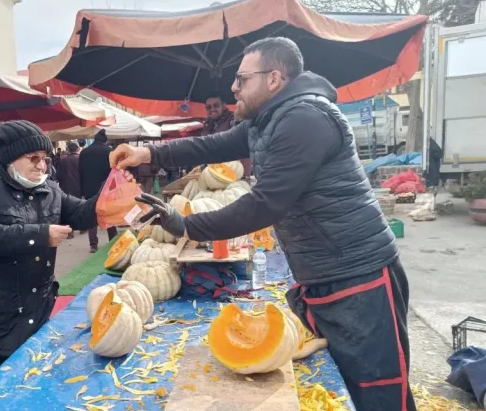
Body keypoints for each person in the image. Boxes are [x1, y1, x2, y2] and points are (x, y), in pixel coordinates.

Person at [110, 37, 415, 411]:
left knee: (377, 388)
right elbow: (211, 146)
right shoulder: (267, 119)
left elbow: (264, 205)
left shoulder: (305, 118)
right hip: (323, 270)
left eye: (242, 79)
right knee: (344, 383)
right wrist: (149, 151)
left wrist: (186, 225)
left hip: (359, 273)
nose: (233, 88)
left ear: (274, 78)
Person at [0, 120, 130, 398]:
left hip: (35, 313)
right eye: (33, 159)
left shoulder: (49, 189)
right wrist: (39, 235)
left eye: (44, 159)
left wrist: (112, 192)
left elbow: (81, 212)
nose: (41, 166)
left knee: (29, 392)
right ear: (9, 158)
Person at [79, 130, 118, 253]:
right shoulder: (109, 152)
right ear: (104, 140)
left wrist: (82, 190)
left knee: (92, 215)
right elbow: (114, 172)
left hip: (89, 190)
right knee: (109, 214)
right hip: (106, 189)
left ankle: (93, 244)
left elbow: (80, 173)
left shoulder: (84, 152)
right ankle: (112, 241)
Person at [203, 94, 251, 178]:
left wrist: (244, 174)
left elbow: (244, 143)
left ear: (224, 106)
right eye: (208, 107)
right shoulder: (207, 125)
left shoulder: (234, 119)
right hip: (216, 172)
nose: (212, 109)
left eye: (216, 105)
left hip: (234, 173)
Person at [56, 141, 82, 238]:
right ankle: (82, 227)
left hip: (65, 187)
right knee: (79, 206)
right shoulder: (79, 159)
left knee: (67, 209)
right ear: (77, 149)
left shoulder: (63, 160)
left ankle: (69, 231)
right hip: (78, 186)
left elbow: (58, 175)